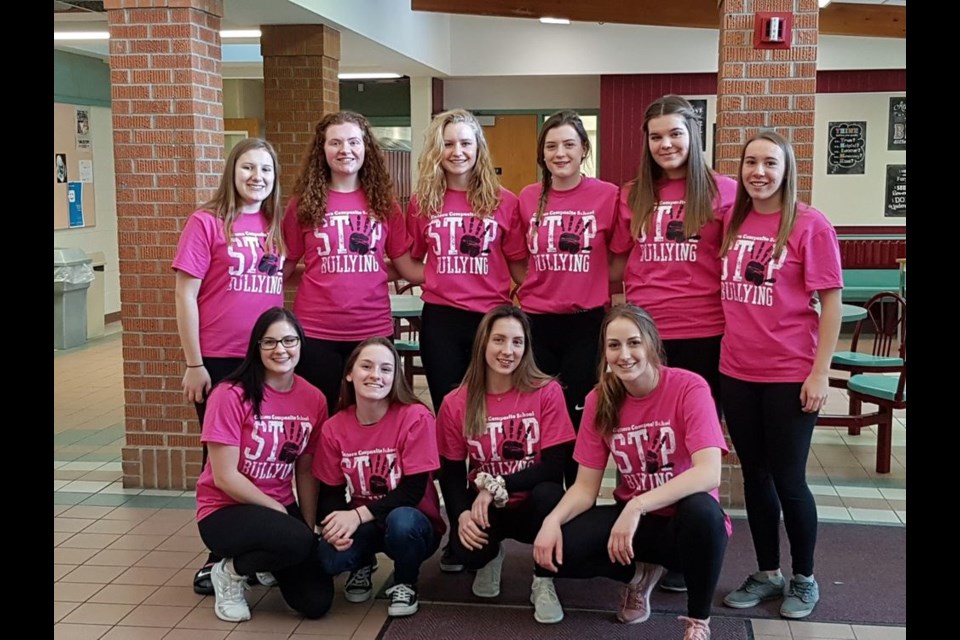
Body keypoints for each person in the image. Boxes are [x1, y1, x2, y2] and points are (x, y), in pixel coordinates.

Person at [533, 304, 730, 640]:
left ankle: (699, 621)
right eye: (614, 345)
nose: (624, 355)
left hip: (682, 523)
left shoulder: (689, 387)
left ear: (652, 344)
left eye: (634, 343)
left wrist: (636, 505)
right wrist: (550, 522)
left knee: (703, 513)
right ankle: (640, 574)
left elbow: (708, 474)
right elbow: (584, 488)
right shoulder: (599, 399)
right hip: (637, 525)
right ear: (605, 351)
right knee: (558, 554)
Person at [609, 95, 737, 593]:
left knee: (693, 444)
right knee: (646, 441)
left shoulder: (725, 192)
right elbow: (617, 266)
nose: (666, 144)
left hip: (705, 332)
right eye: (657, 136)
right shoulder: (632, 194)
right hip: (644, 338)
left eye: (675, 134)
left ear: (693, 136)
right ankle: (648, 538)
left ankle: (691, 543)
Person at [718, 130, 842, 620]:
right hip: (737, 371)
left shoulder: (810, 225)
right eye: (750, 162)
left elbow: (832, 305)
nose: (759, 172)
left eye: (770, 163)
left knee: (790, 480)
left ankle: (805, 578)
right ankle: (768, 573)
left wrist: (820, 373)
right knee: (755, 476)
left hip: (790, 372)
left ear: (786, 169)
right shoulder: (733, 219)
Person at [408, 108, 527, 573]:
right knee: (451, 427)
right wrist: (439, 281)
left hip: (489, 324)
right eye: (448, 143)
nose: (457, 152)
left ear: (479, 149)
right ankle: (462, 531)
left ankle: (491, 524)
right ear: (436, 150)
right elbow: (406, 259)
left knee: (491, 426)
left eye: (465, 143)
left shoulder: (505, 201)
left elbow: (519, 267)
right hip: (440, 322)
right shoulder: (422, 203)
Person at [173, 137, 286, 595]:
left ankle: (259, 546)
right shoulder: (207, 223)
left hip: (268, 358)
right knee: (221, 459)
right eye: (248, 169)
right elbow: (185, 294)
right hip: (219, 358)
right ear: (231, 172)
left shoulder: (277, 224)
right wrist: (194, 362)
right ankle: (217, 556)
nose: (257, 178)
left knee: (263, 451)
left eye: (266, 170)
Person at [437, 305, 575, 624]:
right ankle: (491, 555)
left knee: (550, 494)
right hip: (488, 511)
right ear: (483, 343)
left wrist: (495, 485)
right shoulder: (456, 402)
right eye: (499, 340)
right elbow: (452, 471)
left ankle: (542, 580)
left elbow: (554, 468)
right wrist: (460, 516)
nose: (508, 351)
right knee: (464, 549)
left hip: (533, 505)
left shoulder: (547, 391)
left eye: (517, 342)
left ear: (526, 348)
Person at [195, 307, 333, 623]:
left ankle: (272, 556)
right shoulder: (230, 394)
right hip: (224, 510)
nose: (280, 350)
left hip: (277, 508)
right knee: (293, 538)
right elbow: (225, 476)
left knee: (316, 602)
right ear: (256, 347)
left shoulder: (313, 399)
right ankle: (229, 573)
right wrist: (281, 513)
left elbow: (306, 469)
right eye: (269, 342)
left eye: (288, 340)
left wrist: (308, 527)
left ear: (301, 343)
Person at [283, 111, 423, 412]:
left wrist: (460, 271)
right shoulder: (302, 204)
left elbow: (406, 267)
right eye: (335, 142)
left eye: (353, 142)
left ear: (366, 148)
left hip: (372, 329)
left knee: (373, 413)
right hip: (317, 330)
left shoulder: (385, 205)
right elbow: (286, 266)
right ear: (322, 149)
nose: (345, 150)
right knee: (318, 415)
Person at [514, 110, 621, 488]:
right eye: (552, 146)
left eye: (569, 145)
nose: (560, 153)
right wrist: (539, 283)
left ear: (584, 149)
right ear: (542, 154)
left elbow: (620, 257)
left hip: (585, 322)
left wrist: (587, 282)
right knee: (540, 414)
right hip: (536, 322)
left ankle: (578, 500)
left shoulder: (608, 195)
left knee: (579, 415)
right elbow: (517, 259)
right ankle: (545, 499)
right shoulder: (528, 198)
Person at [312, 337, 444, 618]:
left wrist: (356, 516)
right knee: (329, 558)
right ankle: (362, 563)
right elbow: (331, 492)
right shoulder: (334, 427)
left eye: (386, 369)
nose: (376, 375)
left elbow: (413, 491)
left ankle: (405, 582)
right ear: (349, 373)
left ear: (395, 376)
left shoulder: (416, 417)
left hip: (414, 524)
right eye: (366, 366)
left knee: (401, 521)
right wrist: (336, 528)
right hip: (370, 522)